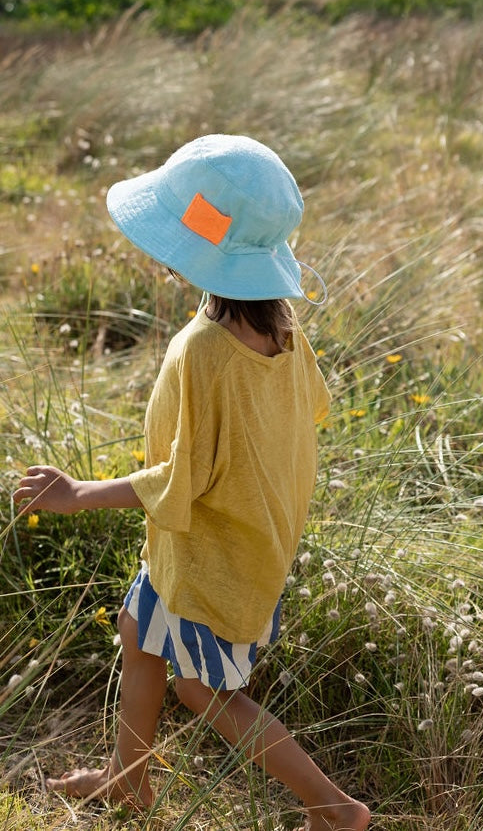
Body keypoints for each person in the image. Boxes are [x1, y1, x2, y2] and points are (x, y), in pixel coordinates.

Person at [15, 135, 370, 831]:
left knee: (202, 688)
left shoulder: (203, 349)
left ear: (198, 243)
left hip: (216, 555)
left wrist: (75, 494)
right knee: (138, 628)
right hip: (227, 542)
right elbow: (309, 410)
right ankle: (128, 781)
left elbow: (184, 479)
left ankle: (335, 808)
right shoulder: (284, 332)